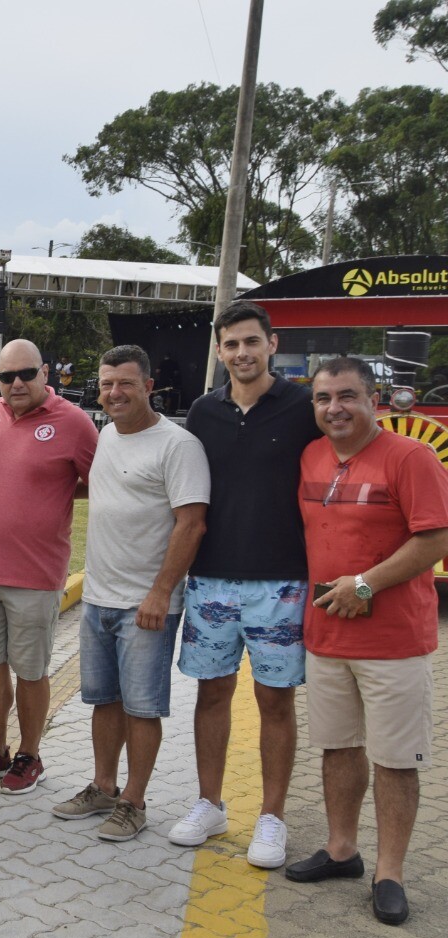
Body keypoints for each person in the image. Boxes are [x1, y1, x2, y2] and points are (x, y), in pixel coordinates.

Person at [287, 357, 448, 925]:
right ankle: (341, 850)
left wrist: (365, 584)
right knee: (337, 748)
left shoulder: (411, 457)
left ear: (373, 399)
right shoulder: (310, 456)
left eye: (348, 396)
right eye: (324, 398)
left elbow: (433, 539)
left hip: (393, 642)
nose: (335, 408)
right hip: (326, 638)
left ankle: (390, 873)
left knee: (397, 761)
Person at [168, 302, 321, 867]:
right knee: (211, 695)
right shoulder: (203, 412)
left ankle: (272, 817)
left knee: (275, 701)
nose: (241, 353)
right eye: (230, 345)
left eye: (251, 342)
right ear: (219, 350)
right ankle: (210, 804)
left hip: (282, 584)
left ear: (272, 344)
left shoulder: (305, 407)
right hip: (210, 581)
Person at [53, 346, 209, 841]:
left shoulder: (177, 446)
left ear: (148, 386)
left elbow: (192, 523)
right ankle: (103, 786)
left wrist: (162, 593)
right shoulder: (105, 437)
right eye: (106, 384)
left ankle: (135, 802)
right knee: (104, 700)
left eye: (125, 383)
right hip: (98, 597)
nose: (114, 393)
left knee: (143, 707)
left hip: (146, 604)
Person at [0, 339, 98, 792]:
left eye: (26, 374)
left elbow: (99, 483)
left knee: (31, 670)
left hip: (35, 575)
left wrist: (56, 494)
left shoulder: (74, 423)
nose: (16, 383)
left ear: (45, 374)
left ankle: (29, 755)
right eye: (6, 376)